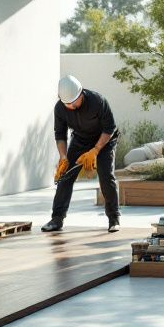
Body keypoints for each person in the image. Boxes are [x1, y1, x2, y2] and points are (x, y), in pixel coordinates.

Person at [42, 75, 121, 233]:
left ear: (81, 93)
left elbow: (109, 129)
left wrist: (96, 150)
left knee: (106, 177)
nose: (71, 105)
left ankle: (114, 219)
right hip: (80, 141)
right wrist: (63, 157)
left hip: (104, 142)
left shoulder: (98, 101)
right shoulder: (60, 108)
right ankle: (57, 219)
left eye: (74, 101)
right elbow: (60, 135)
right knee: (65, 177)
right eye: (67, 103)